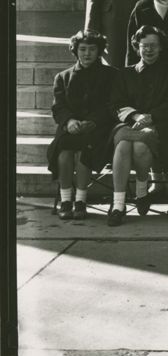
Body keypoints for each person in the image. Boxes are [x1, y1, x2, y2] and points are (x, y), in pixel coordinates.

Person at [107, 26, 168, 226]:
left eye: (154, 45)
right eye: (144, 45)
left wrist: (150, 117)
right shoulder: (125, 74)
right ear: (137, 48)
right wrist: (135, 115)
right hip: (128, 124)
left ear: (161, 47)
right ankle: (119, 204)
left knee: (139, 144)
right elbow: (114, 104)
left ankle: (141, 190)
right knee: (122, 144)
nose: (149, 50)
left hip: (157, 127)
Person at [48, 30, 118, 221]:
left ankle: (81, 201)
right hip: (70, 127)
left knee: (86, 149)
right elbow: (58, 107)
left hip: (98, 129)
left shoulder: (111, 75)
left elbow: (112, 105)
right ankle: (66, 200)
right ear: (75, 50)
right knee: (64, 150)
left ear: (99, 51)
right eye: (83, 49)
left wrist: (94, 121)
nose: (87, 54)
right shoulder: (63, 77)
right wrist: (69, 121)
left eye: (92, 49)